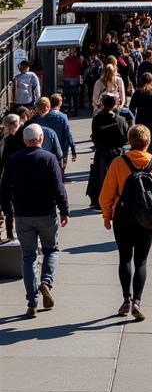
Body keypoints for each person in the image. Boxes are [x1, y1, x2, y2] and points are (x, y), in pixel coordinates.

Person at [99, 124, 152, 321]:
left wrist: (107, 216)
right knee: (141, 260)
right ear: (148, 142)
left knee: (124, 258)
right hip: (146, 217)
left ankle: (125, 299)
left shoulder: (118, 162)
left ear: (130, 141)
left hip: (123, 215)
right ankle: (138, 302)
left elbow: (106, 194)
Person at [0, 123, 69, 318]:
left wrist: (7, 212)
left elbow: (4, 189)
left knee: (28, 257)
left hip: (23, 215)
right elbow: (59, 187)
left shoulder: (13, 160)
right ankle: (46, 282)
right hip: (46, 213)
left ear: (24, 140)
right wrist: (64, 210)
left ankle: (32, 302)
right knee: (51, 250)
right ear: (41, 139)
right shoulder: (49, 158)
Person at [87, 94, 130, 210]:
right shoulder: (121, 120)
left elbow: (95, 136)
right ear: (115, 104)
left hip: (102, 152)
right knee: (118, 178)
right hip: (117, 153)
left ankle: (100, 200)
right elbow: (126, 138)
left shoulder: (97, 119)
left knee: (101, 178)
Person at [36, 95, 76, 175]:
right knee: (60, 171)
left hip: (46, 148)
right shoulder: (63, 117)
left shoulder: (40, 119)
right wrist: (73, 149)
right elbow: (68, 134)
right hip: (61, 148)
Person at [128, 73, 152, 154]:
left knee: (140, 143)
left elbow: (131, 107)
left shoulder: (138, 92)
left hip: (141, 121)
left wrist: (135, 115)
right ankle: (151, 163)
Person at [0, 113, 22, 242]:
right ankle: (10, 234)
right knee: (9, 206)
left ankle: (11, 234)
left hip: (10, 176)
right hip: (10, 177)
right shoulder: (11, 139)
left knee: (9, 206)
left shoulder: (12, 139)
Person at [62, 48, 85, 115]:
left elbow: (80, 67)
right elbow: (64, 69)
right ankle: (69, 110)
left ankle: (75, 110)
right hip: (67, 79)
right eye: (69, 51)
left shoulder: (77, 59)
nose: (70, 53)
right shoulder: (66, 59)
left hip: (75, 78)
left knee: (75, 96)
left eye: (72, 51)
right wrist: (64, 77)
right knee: (68, 95)